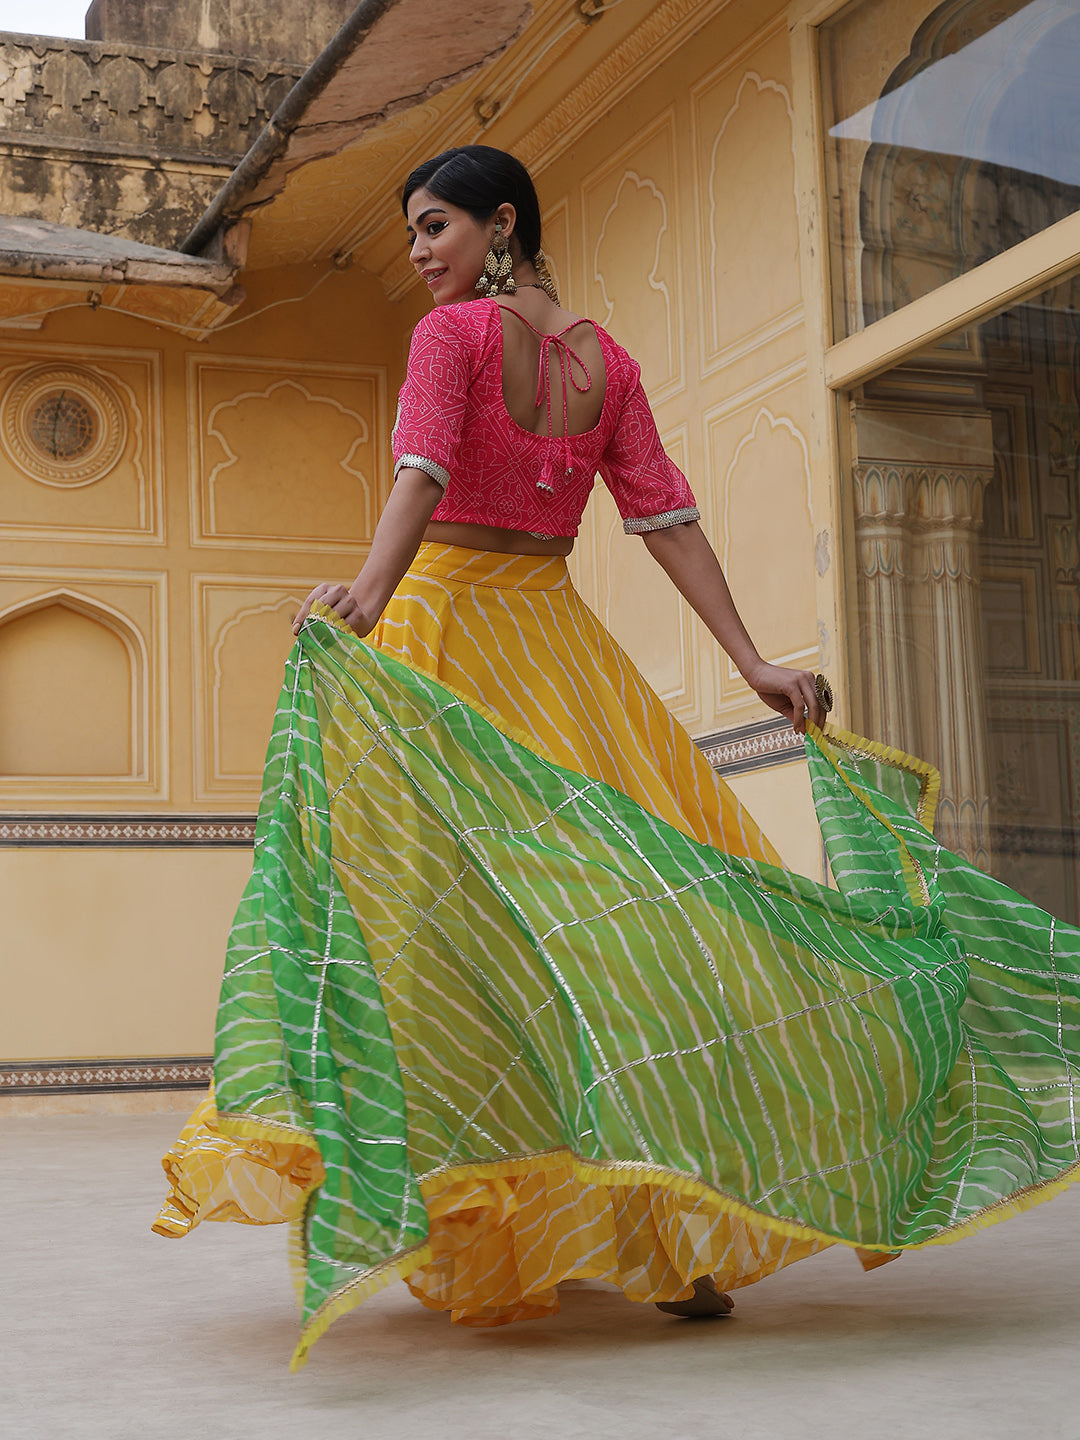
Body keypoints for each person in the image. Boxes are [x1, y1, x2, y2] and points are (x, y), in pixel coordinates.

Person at [155, 146, 1080, 1370]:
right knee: (622, 926)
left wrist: (370, 597)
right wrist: (751, 660)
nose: (420, 253)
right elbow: (668, 519)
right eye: (413, 233)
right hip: (557, 648)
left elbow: (425, 471)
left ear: (501, 226)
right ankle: (677, 1239)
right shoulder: (609, 363)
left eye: (433, 228)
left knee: (439, 934)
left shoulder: (454, 341)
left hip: (445, 634)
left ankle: (523, 1222)